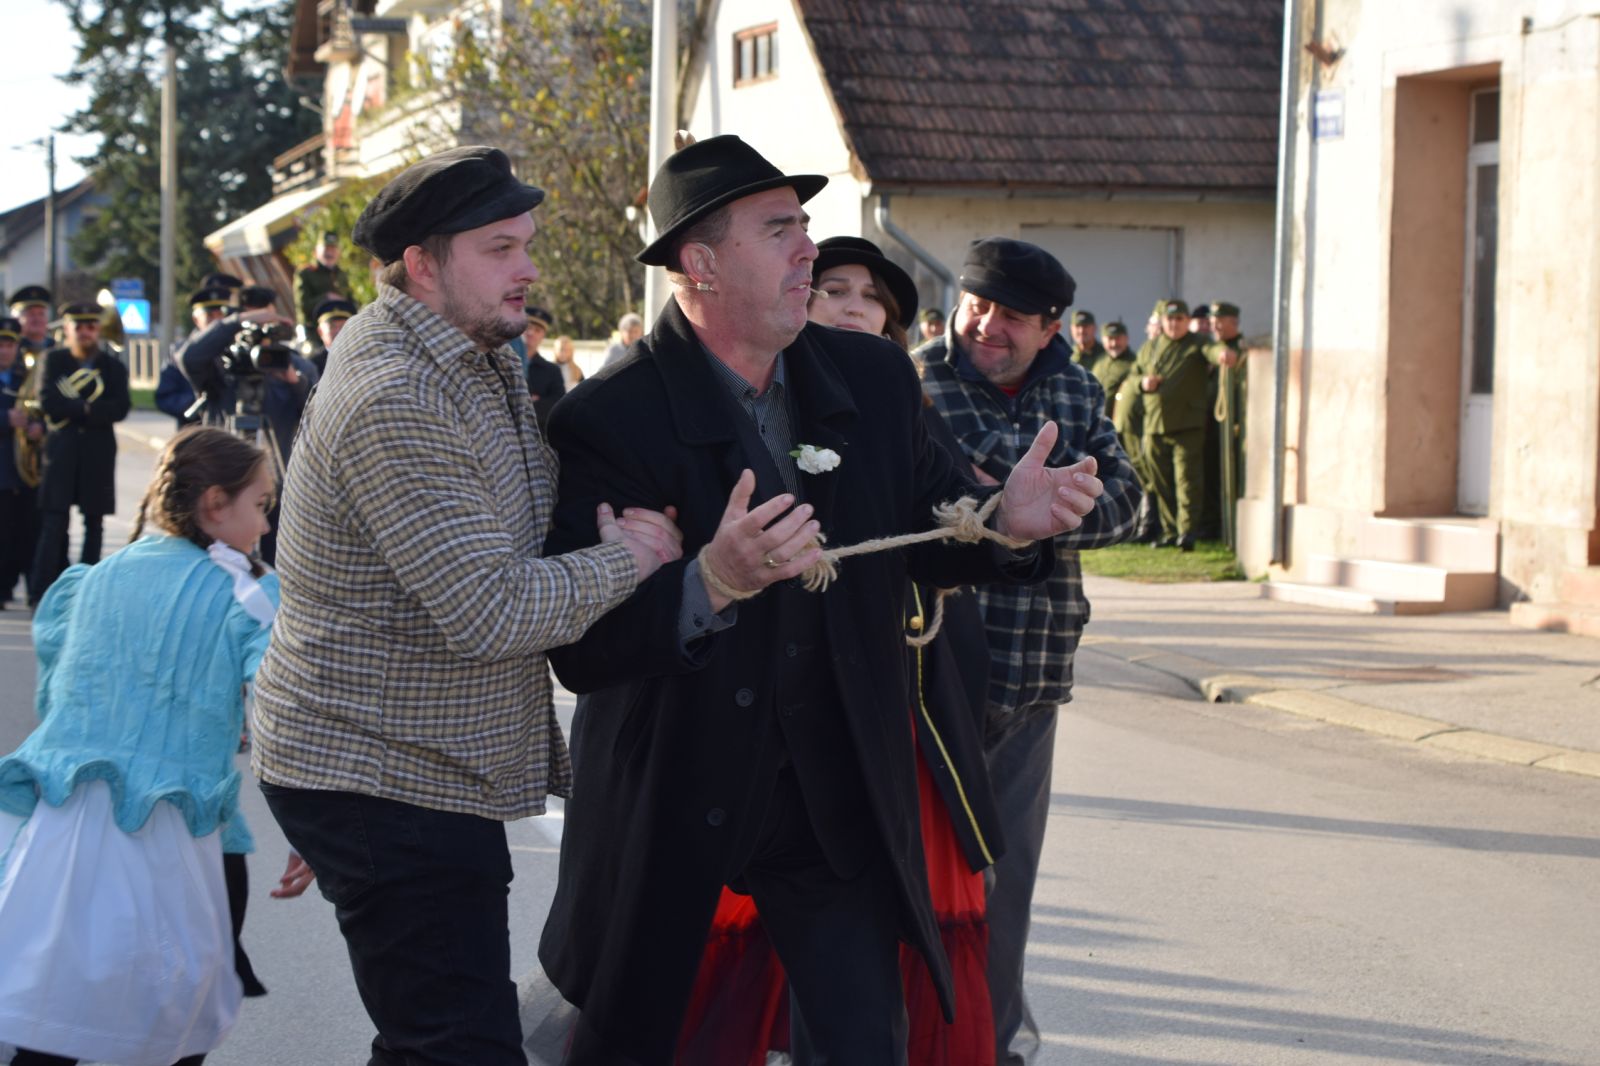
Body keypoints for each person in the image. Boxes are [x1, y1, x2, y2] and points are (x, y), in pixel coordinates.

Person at [537, 133, 1103, 1065]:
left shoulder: (873, 377)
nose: (809, 249)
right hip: (681, 789)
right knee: (635, 1040)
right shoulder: (609, 416)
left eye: (805, 225)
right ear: (702, 262)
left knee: (859, 1040)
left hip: (834, 787)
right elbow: (584, 653)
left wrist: (1010, 523)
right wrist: (708, 583)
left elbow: (931, 526)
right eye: (778, 230)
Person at [250, 145, 680, 1066]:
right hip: (383, 771)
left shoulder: (471, 349)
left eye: (526, 243)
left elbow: (516, 513)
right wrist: (629, 558)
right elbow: (489, 607)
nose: (528, 267)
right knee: (459, 1045)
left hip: (407, 763)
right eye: (499, 248)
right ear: (421, 263)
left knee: (438, 1035)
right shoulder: (397, 392)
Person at [679, 233, 1004, 1063]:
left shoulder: (899, 406)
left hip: (885, 728)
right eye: (837, 289)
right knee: (728, 962)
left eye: (874, 300)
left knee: (870, 981)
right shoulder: (728, 401)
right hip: (742, 742)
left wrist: (1007, 524)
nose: (855, 305)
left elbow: (948, 537)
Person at [0, 426, 305, 1066]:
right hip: (172, 832)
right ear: (215, 504)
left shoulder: (92, 580)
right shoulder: (246, 592)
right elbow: (283, 713)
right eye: (261, 505)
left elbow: (55, 696)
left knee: (50, 1013)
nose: (266, 521)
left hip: (62, 831)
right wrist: (311, 821)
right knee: (171, 1020)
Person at [919, 237, 1142, 1065]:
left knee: (1005, 886)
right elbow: (955, 491)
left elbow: (1130, 504)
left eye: (1011, 316)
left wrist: (1046, 503)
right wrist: (1032, 497)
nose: (984, 325)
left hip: (1035, 672)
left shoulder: (1076, 388)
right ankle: (904, 1040)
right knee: (922, 876)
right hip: (933, 669)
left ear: (1051, 329)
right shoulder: (918, 379)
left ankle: (990, 1045)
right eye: (975, 303)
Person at [29, 304, 131, 604]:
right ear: (67, 330)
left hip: (97, 453)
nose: (86, 333)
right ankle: (41, 592)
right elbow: (48, 401)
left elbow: (120, 408)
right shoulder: (53, 360)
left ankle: (87, 591)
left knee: (95, 524)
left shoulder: (113, 367)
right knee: (53, 522)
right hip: (61, 451)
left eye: (91, 327)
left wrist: (78, 409)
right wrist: (89, 410)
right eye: (79, 327)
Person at [1134, 298, 1210, 550]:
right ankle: (1168, 531)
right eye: (1170, 319)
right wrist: (1142, 383)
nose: (1174, 324)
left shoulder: (1197, 343)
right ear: (1162, 321)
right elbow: (1134, 375)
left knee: (1187, 482)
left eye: (1180, 319)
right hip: (1155, 424)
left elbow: (1213, 351)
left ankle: (1187, 532)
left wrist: (1223, 354)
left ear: (1188, 321)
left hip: (1187, 425)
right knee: (1161, 482)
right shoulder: (1150, 347)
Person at [0, 315, 42, 606]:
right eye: (0, 344)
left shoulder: (26, 378)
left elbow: (46, 409)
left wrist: (38, 427)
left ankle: (33, 589)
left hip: (24, 470)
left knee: (29, 530)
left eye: (9, 345)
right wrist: (5, 419)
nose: (4, 350)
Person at [1207, 301, 1247, 545]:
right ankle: (1214, 526)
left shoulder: (1241, 350)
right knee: (1212, 478)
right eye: (1213, 321)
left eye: (1221, 321)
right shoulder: (1215, 349)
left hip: (1232, 425)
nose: (1216, 326)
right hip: (1212, 425)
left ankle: (1229, 529)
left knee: (1231, 478)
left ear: (1234, 322)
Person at [294, 231, 351, 335]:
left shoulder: (341, 274)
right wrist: (326, 297)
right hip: (315, 330)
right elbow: (303, 306)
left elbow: (351, 300)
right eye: (326, 248)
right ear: (316, 251)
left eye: (333, 249)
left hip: (343, 328)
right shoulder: (306, 273)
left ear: (339, 252)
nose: (329, 253)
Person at [522, 305, 565, 427]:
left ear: (543, 336)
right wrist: (534, 400)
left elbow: (557, 404)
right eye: (527, 327)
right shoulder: (502, 362)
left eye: (537, 330)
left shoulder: (552, 371)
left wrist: (526, 406)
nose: (531, 333)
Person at [306, 296, 357, 375]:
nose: (338, 331)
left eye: (343, 326)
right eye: (332, 327)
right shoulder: (313, 366)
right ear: (320, 332)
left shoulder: (362, 353)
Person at [1066, 309, 1105, 373]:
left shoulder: (1105, 355)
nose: (1081, 331)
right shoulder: (1066, 354)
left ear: (1094, 328)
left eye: (1085, 326)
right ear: (1071, 329)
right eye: (1077, 326)